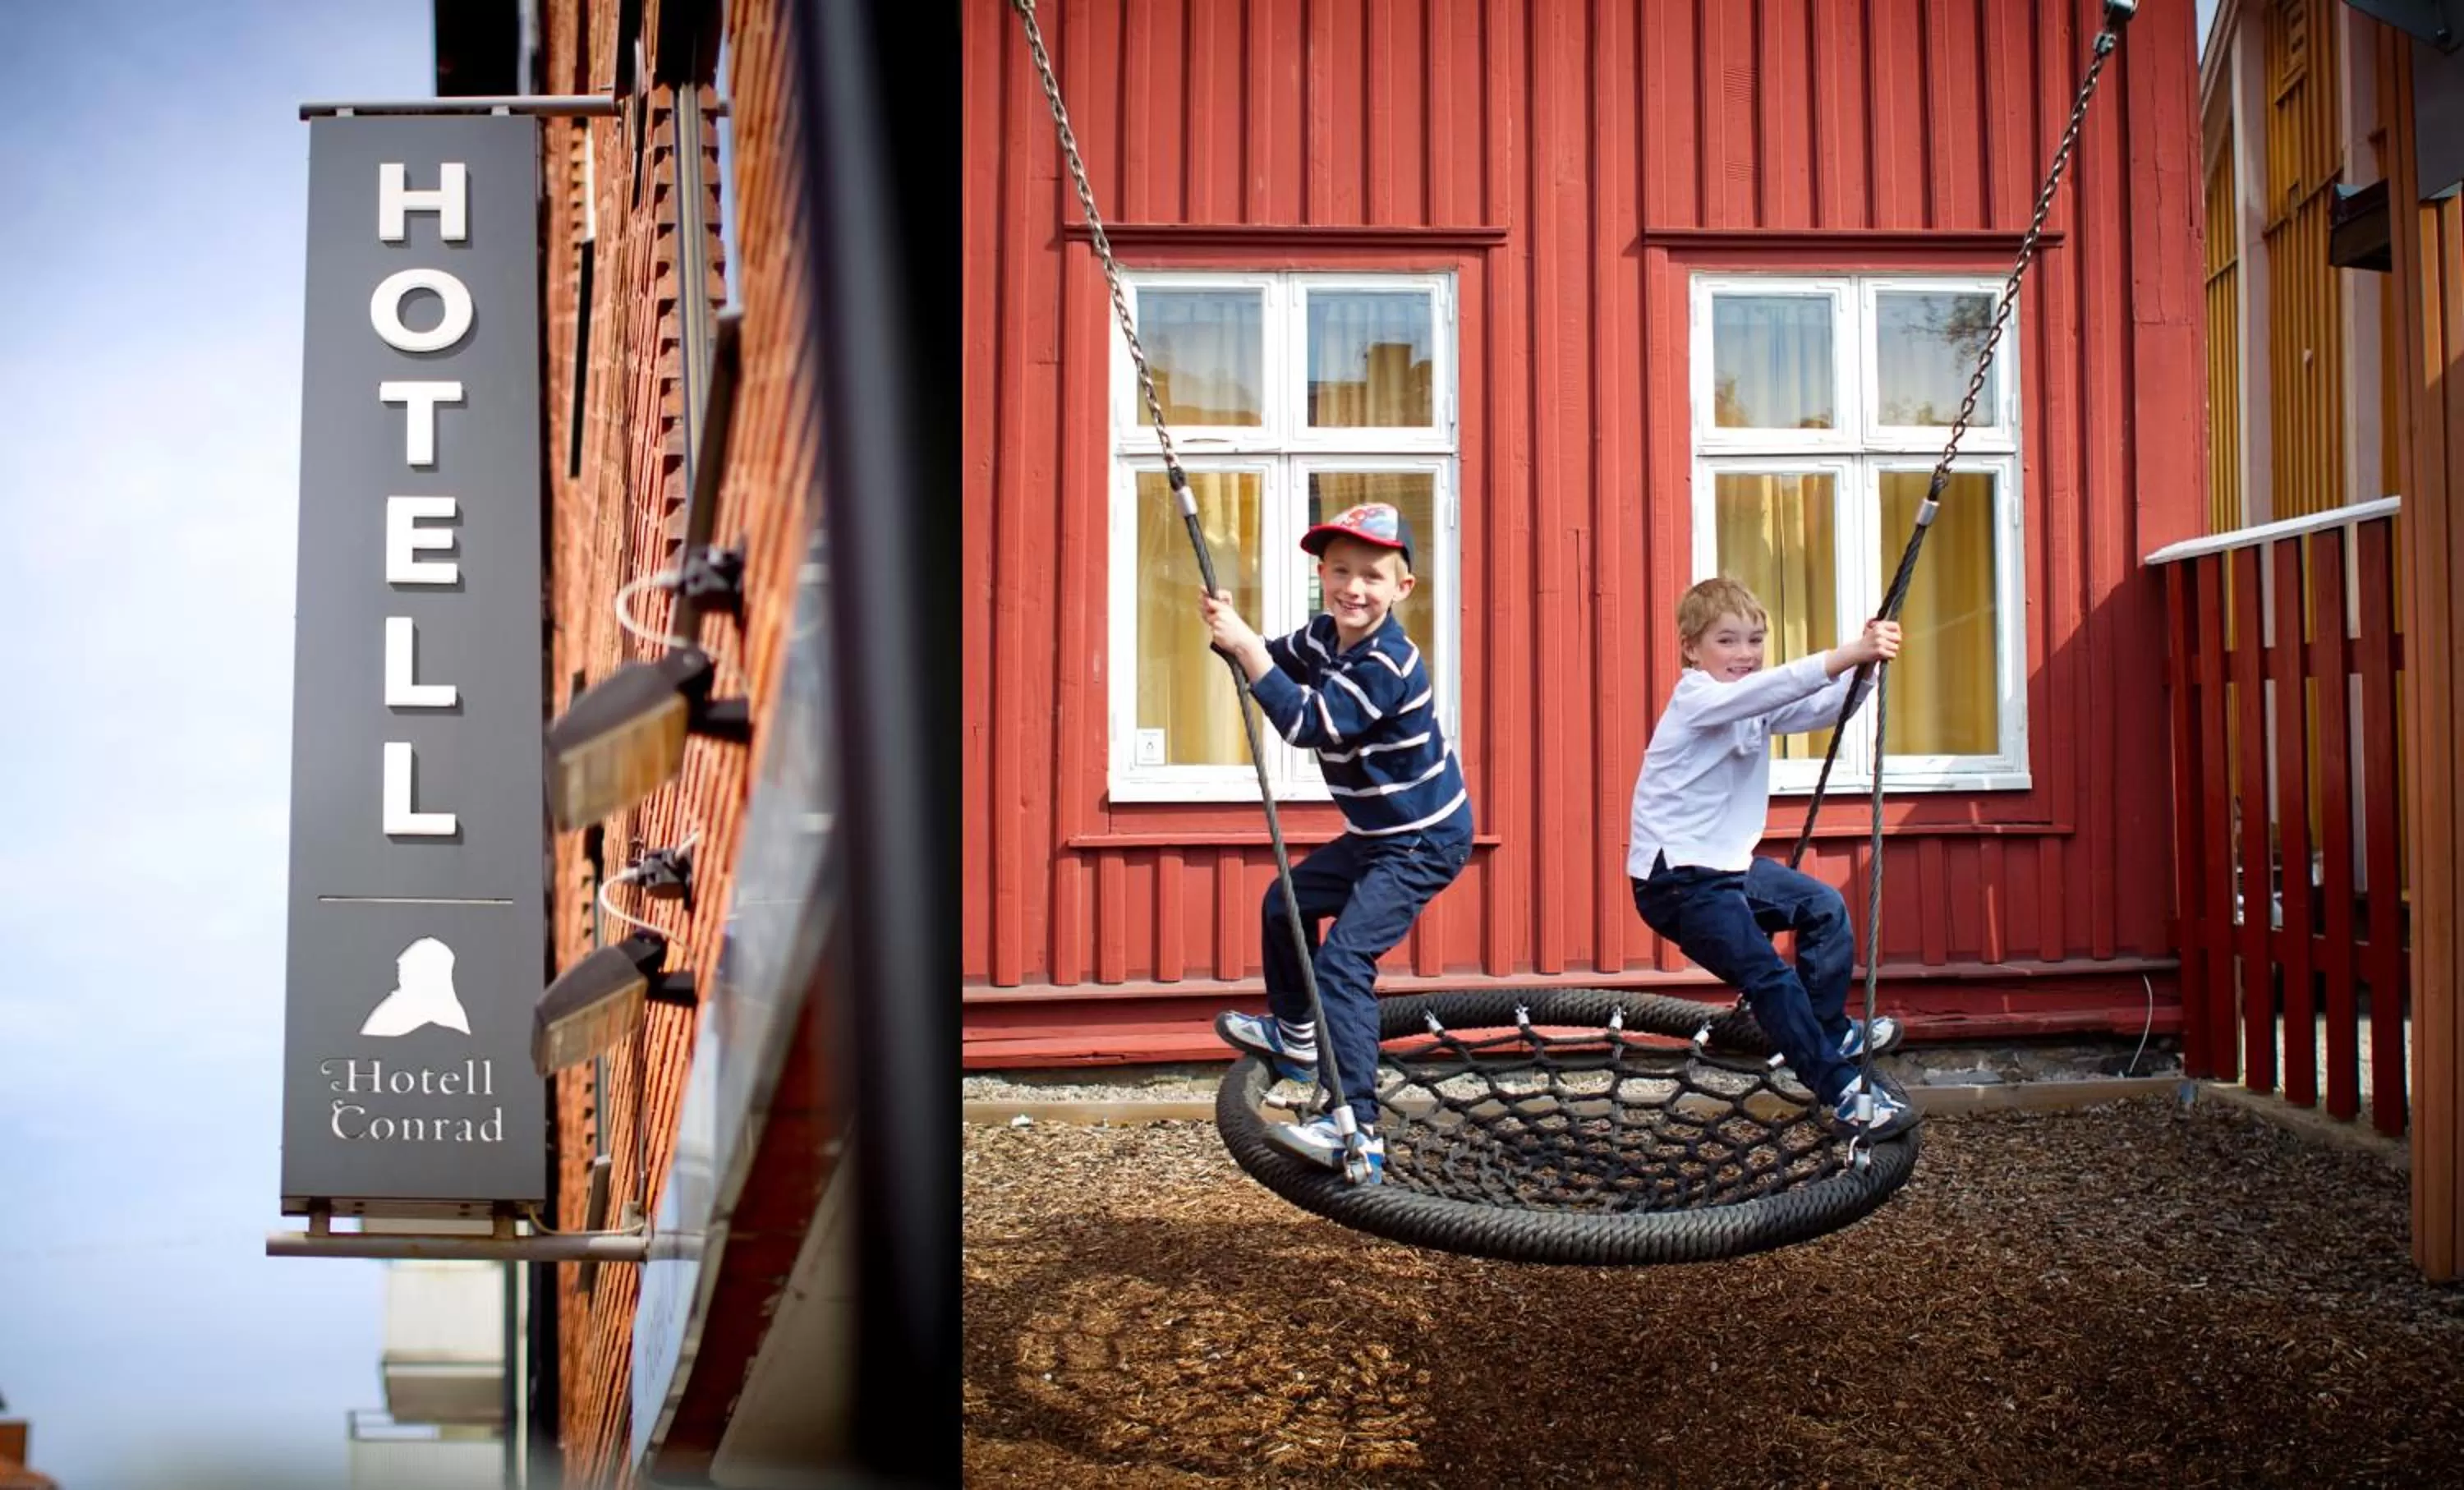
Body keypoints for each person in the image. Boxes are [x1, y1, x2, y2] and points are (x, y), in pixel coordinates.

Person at [1198, 502, 1473, 1184]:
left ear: (1402, 588)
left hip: (1422, 839)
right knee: (1284, 903)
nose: (1354, 588)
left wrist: (1247, 649)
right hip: (1375, 834)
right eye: (1341, 571)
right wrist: (1233, 632)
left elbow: (1309, 722)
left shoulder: (1390, 662)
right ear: (1321, 574)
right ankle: (1297, 1036)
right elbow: (1271, 659)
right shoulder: (1324, 636)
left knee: (1345, 960)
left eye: (1372, 576)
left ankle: (1358, 1129)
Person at [1626, 576, 1921, 1142]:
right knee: (1770, 979)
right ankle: (1844, 1094)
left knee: (1822, 906)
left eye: (1756, 640)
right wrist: (1848, 653)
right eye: (1727, 641)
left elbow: (1822, 707)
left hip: (1726, 868)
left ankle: (1828, 1031)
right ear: (1691, 649)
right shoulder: (1698, 699)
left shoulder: (1749, 702)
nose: (1745, 654)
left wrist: (1865, 670)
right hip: (1677, 881)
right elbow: (1776, 687)